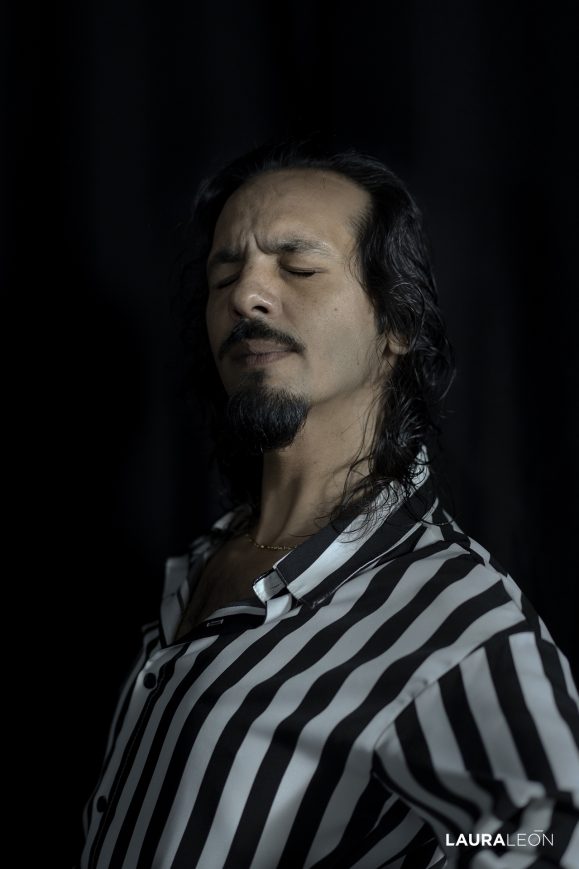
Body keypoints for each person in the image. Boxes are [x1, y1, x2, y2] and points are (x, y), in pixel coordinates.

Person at [78, 141, 579, 869]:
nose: (245, 296)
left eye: (298, 267)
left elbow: (546, 835)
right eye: (224, 276)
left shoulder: (460, 625)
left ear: (397, 323)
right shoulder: (198, 563)